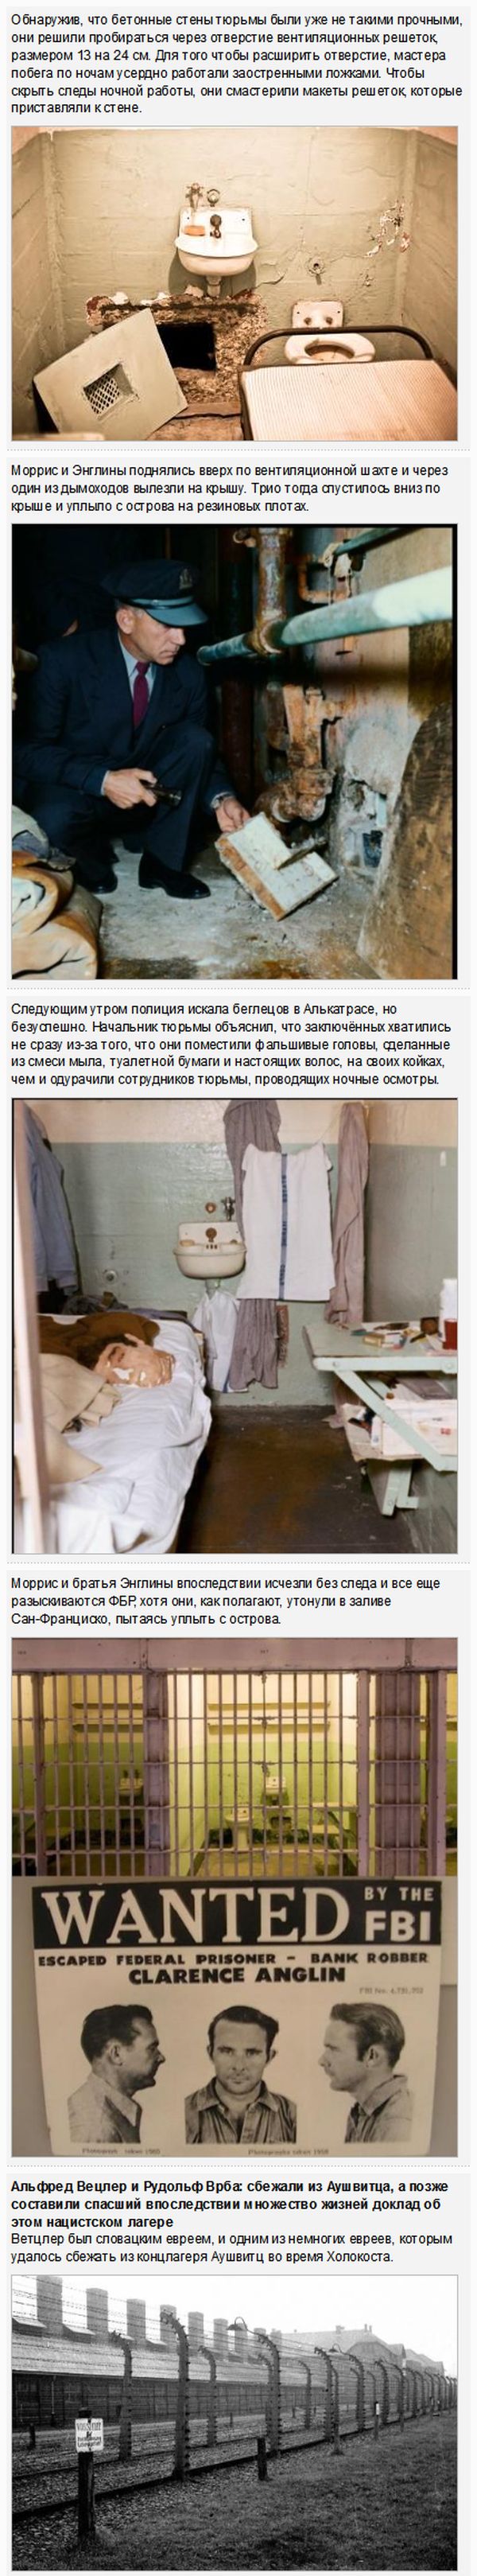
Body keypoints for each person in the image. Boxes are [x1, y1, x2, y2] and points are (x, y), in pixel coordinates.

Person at [14, 559, 249, 901]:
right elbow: (23, 752)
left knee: (196, 740)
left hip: (148, 797)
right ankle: (89, 860)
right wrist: (103, 780)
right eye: (168, 625)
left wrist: (222, 798)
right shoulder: (63, 661)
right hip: (80, 790)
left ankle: (162, 865)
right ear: (126, 620)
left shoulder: (188, 673)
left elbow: (200, 754)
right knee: (54, 817)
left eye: (184, 626)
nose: (181, 639)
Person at [184, 2005, 297, 2146]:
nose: (239, 2067)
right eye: (227, 2051)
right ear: (210, 2053)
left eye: (252, 2053)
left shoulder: (292, 2116)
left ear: (269, 2057)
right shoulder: (184, 2113)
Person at [68, 2005, 164, 2146]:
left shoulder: (100, 2108)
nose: (161, 2058)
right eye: (152, 2048)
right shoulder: (97, 2128)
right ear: (116, 2054)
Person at [319, 2002, 413, 2144]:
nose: (322, 2061)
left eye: (334, 2049)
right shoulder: (364, 2113)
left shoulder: (396, 2124)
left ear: (372, 2057)